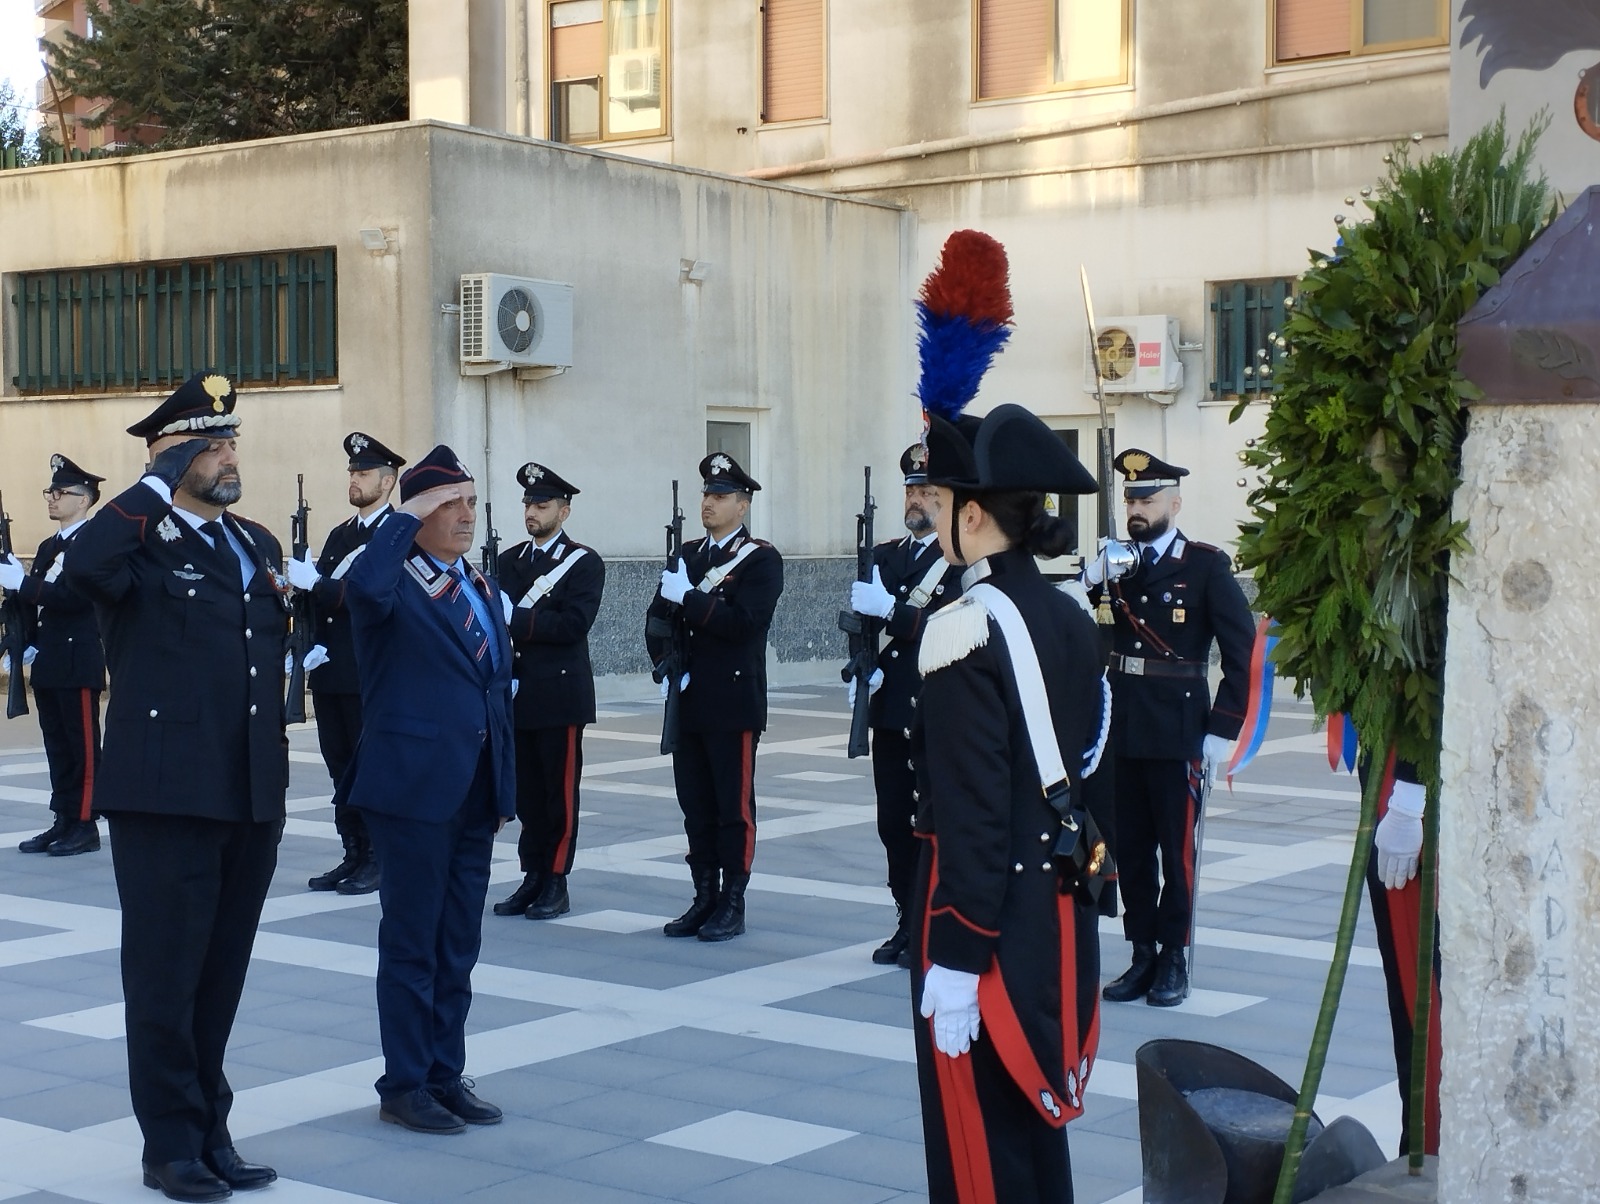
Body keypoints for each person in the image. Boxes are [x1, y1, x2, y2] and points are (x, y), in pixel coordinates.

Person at [64, 371, 286, 1202]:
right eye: (208, 444)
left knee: (220, 974)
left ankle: (211, 1129)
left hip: (248, 791)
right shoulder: (136, 539)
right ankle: (170, 1144)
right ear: (170, 453)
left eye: (230, 441)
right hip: (164, 795)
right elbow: (84, 565)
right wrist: (154, 483)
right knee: (165, 977)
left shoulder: (255, 542)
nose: (228, 457)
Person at [910, 403, 1107, 1204]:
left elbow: (974, 810)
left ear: (975, 515)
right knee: (1032, 1132)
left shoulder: (963, 628)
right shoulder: (1065, 612)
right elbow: (1095, 772)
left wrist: (957, 954)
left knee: (977, 1149)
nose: (930, 514)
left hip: (982, 917)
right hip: (1053, 910)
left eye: (942, 499)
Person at [333, 444, 515, 1135]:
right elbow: (364, 589)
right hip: (410, 791)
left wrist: (501, 790)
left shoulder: (478, 583)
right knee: (412, 943)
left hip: (471, 790)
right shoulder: (393, 581)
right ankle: (403, 1082)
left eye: (471, 502)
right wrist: (401, 516)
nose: (466, 516)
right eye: (450, 505)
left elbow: (495, 691)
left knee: (457, 943)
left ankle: (445, 1072)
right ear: (418, 514)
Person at [1091, 448, 1254, 1008]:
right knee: (1130, 849)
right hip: (1122, 725)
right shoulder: (1113, 564)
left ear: (1174, 503)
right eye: (1131, 499)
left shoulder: (1204, 566)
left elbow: (1242, 652)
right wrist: (1088, 587)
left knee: (1175, 853)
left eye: (1147, 498)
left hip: (1179, 727)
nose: (1136, 508)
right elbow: (1094, 641)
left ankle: (1174, 956)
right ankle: (1141, 954)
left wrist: (1222, 729)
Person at [645, 452, 784, 942]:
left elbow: (745, 624)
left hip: (733, 700)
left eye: (720, 496)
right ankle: (703, 895)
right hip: (689, 700)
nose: (710, 503)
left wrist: (691, 599)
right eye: (707, 494)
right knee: (696, 805)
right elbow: (657, 618)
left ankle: (733, 900)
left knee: (732, 807)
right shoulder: (687, 556)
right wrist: (663, 665)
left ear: (742, 506)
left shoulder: (761, 559)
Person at [844, 442, 962, 966]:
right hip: (890, 708)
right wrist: (857, 668)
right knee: (893, 822)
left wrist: (892, 610)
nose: (917, 499)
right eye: (912, 490)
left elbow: (953, 628)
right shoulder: (887, 555)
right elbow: (860, 625)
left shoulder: (959, 559)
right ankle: (905, 919)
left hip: (936, 707)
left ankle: (934, 925)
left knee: (931, 823)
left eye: (927, 491)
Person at [284, 431, 406, 894]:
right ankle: (353, 852)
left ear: (388, 481)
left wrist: (318, 587)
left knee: (370, 766)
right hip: (332, 670)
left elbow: (374, 597)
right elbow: (322, 601)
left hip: (371, 672)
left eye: (364, 473)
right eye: (352, 472)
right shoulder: (341, 534)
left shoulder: (398, 535)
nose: (354, 480)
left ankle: (378, 855)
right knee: (340, 766)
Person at [492, 461, 605, 921]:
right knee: (528, 796)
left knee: (559, 795)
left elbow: (573, 625)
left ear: (565, 510)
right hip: (517, 695)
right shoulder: (509, 561)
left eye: (541, 505)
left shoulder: (583, 562)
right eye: (528, 504)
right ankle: (532, 875)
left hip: (559, 696)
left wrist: (514, 619)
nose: (532, 512)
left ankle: (556, 879)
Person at [1, 454, 108, 856]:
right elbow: (30, 604)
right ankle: (62, 818)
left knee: (81, 747)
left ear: (84, 500)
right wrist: (22, 639)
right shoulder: (50, 546)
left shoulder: (95, 543)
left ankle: (84, 823)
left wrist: (22, 583)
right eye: (50, 491)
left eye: (61, 492)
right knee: (57, 746)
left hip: (78, 657)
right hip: (48, 659)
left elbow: (75, 599)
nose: (52, 498)